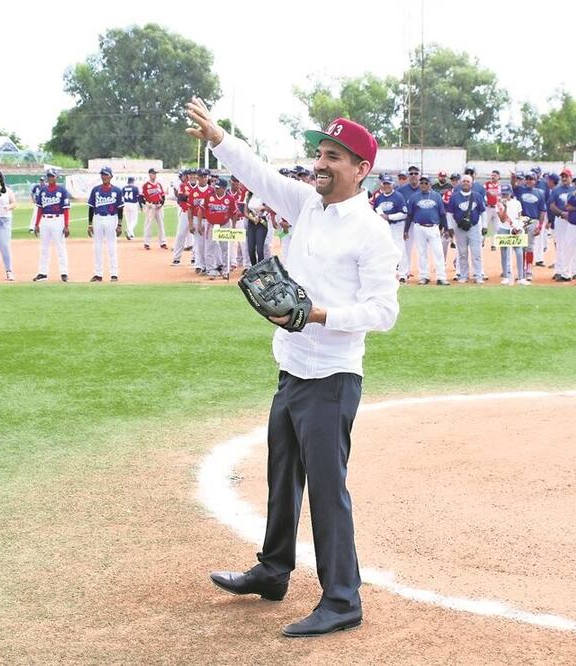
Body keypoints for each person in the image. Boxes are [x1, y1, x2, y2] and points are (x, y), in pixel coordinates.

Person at [189, 98, 399, 639]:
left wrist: (317, 313)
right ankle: (274, 571)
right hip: (291, 367)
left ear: (361, 168)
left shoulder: (372, 231)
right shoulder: (308, 204)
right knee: (282, 478)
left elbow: (384, 312)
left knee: (327, 491)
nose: (321, 163)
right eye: (319, 153)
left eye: (334, 156)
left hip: (332, 377)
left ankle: (342, 600)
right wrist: (219, 137)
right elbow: (257, 173)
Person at [405, 175, 448, 285]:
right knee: (422, 253)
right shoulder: (414, 197)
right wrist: (406, 230)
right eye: (422, 183)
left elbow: (442, 214)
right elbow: (410, 215)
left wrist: (446, 228)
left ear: (430, 184)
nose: (423, 185)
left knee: (438, 252)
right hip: (419, 227)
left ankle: (441, 277)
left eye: (426, 183)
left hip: (433, 227)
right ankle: (424, 277)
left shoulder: (436, 196)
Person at [33, 168, 71, 282]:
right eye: (49, 176)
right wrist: (36, 224)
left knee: (60, 247)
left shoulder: (62, 191)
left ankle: (64, 273)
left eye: (52, 176)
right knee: (44, 248)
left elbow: (66, 209)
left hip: (57, 220)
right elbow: (40, 208)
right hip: (45, 220)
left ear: (56, 177)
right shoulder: (43, 191)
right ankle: (42, 273)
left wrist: (66, 225)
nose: (50, 178)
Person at [447, 174, 487, 284]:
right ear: (460, 182)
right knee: (462, 253)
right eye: (464, 181)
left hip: (474, 227)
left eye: (468, 181)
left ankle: (478, 275)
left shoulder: (477, 196)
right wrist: (450, 227)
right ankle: (464, 275)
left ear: (472, 183)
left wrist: (484, 226)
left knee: (476, 253)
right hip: (459, 228)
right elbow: (449, 213)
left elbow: (483, 212)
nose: (465, 183)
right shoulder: (455, 197)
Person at [87, 166, 123, 282]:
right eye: (102, 174)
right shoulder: (96, 190)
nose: (104, 177)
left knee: (111, 247)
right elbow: (91, 207)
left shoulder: (117, 190)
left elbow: (120, 208)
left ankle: (114, 274)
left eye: (106, 174)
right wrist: (90, 224)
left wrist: (120, 224)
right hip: (97, 218)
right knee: (97, 247)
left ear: (111, 176)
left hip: (111, 219)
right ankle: (98, 274)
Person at [372, 174, 409, 283]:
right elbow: (375, 212)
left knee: (400, 248)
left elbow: (404, 214)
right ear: (382, 185)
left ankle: (403, 274)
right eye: (385, 184)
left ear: (392, 185)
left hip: (396, 225)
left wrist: (389, 217)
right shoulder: (379, 198)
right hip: (384, 227)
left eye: (388, 184)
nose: (387, 186)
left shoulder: (398, 196)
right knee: (385, 249)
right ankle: (389, 273)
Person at [513, 172, 547, 282]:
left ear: (536, 180)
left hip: (533, 220)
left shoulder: (540, 193)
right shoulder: (520, 190)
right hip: (521, 221)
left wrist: (540, 225)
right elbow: (513, 185)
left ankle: (528, 270)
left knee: (530, 247)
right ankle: (521, 270)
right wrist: (513, 177)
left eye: (531, 179)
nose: (529, 181)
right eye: (527, 179)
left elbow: (542, 210)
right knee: (520, 246)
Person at [202, 177, 238, 279]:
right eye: (215, 187)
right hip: (211, 224)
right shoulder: (209, 196)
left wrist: (234, 227)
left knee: (225, 247)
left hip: (224, 224)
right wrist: (201, 223)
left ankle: (226, 270)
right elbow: (202, 209)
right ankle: (211, 270)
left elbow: (234, 213)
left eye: (218, 188)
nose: (215, 189)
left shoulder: (229, 198)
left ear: (224, 188)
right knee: (209, 247)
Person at [495, 184, 528, 285]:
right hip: (503, 228)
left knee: (519, 251)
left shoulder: (517, 203)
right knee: (504, 253)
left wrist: (519, 227)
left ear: (510, 193)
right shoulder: (499, 204)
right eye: (503, 194)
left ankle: (521, 277)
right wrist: (504, 207)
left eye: (506, 194)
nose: (505, 196)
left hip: (515, 229)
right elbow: (502, 218)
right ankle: (505, 276)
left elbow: (519, 216)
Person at [548, 169, 576, 282]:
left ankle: (575, 271)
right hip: (560, 219)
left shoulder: (575, 189)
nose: (564, 178)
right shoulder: (556, 190)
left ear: (571, 177)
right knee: (560, 245)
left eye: (566, 176)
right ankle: (559, 271)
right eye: (562, 177)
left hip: (573, 220)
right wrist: (562, 213)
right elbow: (551, 205)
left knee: (573, 245)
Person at [170, 169, 196, 266]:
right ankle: (176, 258)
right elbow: (181, 199)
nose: (193, 176)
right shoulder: (183, 186)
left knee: (196, 237)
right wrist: (191, 203)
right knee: (181, 235)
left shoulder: (199, 186)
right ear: (188, 176)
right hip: (185, 213)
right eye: (191, 175)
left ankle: (194, 258)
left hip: (197, 215)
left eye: (194, 175)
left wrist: (189, 199)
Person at [141, 168, 168, 250]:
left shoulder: (158, 184)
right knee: (148, 224)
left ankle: (163, 242)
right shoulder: (146, 185)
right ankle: (146, 243)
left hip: (158, 206)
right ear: (149, 174)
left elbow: (163, 196)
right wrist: (146, 203)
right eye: (153, 173)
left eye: (155, 173)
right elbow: (142, 197)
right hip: (151, 207)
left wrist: (162, 203)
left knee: (161, 225)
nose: (154, 175)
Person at [244, 194, 269, 266]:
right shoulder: (248, 195)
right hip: (251, 222)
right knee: (251, 249)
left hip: (261, 222)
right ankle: (254, 267)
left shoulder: (264, 194)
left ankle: (261, 269)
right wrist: (252, 218)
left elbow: (271, 208)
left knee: (259, 250)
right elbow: (245, 212)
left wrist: (263, 207)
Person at [483, 170, 502, 251]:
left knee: (496, 227)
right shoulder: (487, 184)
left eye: (495, 175)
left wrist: (492, 192)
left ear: (498, 177)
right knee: (485, 225)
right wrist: (490, 192)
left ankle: (493, 244)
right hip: (488, 207)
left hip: (497, 207)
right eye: (492, 175)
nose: (493, 176)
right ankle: (482, 241)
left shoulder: (500, 186)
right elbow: (484, 192)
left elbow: (501, 195)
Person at [121, 176, 142, 241]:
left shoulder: (124, 188)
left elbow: (121, 197)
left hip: (126, 203)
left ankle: (131, 235)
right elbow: (138, 197)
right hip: (133, 204)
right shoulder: (135, 188)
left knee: (128, 220)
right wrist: (141, 206)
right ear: (133, 181)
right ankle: (129, 230)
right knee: (134, 220)